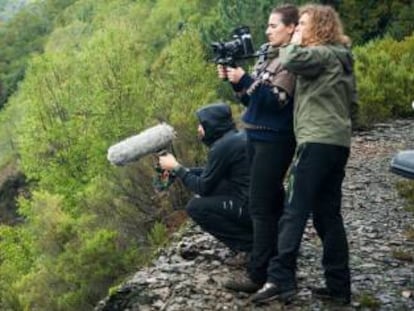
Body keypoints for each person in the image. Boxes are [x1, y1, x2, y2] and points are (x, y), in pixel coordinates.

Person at [251, 4, 355, 305]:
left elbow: (291, 58)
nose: (297, 29)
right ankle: (339, 286)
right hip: (338, 143)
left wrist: (294, 41)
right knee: (327, 215)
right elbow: (354, 101)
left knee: (294, 211)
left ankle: (279, 278)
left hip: (315, 142)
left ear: (320, 27)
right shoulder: (342, 57)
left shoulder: (321, 53)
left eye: (303, 24)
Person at [217, 4, 298, 293]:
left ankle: (258, 274)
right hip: (256, 134)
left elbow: (277, 101)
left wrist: (245, 79)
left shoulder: (291, 58)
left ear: (291, 27)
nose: (267, 30)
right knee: (271, 202)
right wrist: (235, 83)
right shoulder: (267, 53)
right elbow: (251, 100)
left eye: (274, 26)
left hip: (275, 138)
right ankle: (276, 264)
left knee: (260, 206)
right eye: (268, 25)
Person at [158, 102, 253, 254]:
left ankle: (249, 245)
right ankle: (255, 239)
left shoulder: (222, 148)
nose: (198, 129)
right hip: (263, 208)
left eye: (201, 124)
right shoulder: (235, 138)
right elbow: (211, 174)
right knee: (215, 188)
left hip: (251, 209)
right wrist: (182, 171)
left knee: (195, 207)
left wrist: (176, 168)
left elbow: (203, 187)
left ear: (212, 125)